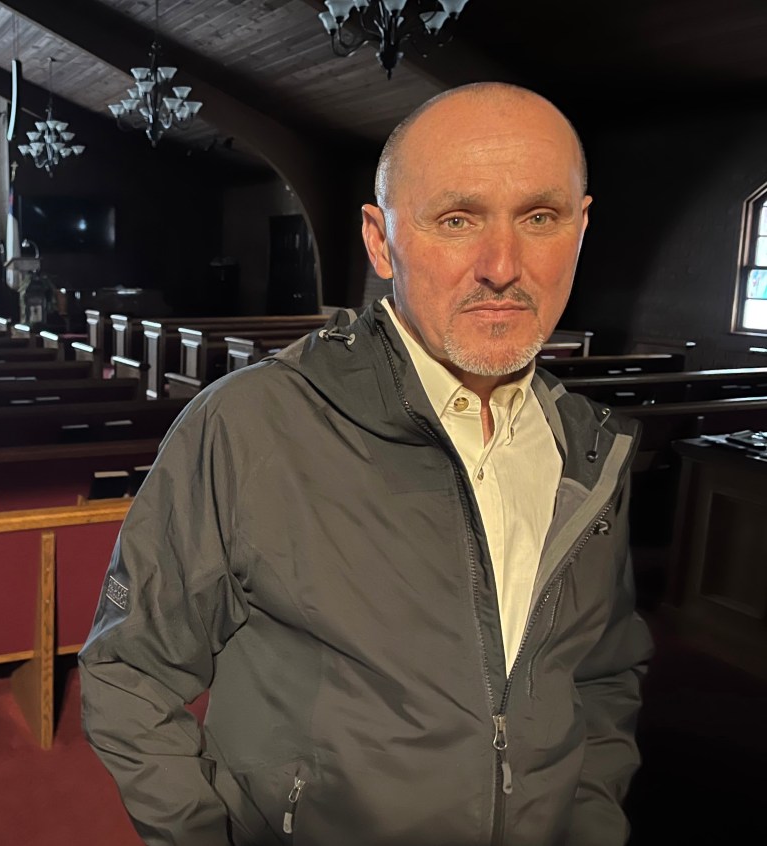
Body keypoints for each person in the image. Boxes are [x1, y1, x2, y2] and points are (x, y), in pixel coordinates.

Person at [78, 83, 652, 846]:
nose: (503, 265)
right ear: (381, 243)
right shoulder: (252, 425)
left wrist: (589, 821)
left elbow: (600, 676)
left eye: (540, 218)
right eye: (457, 219)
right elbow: (129, 671)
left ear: (580, 228)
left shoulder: (589, 447)